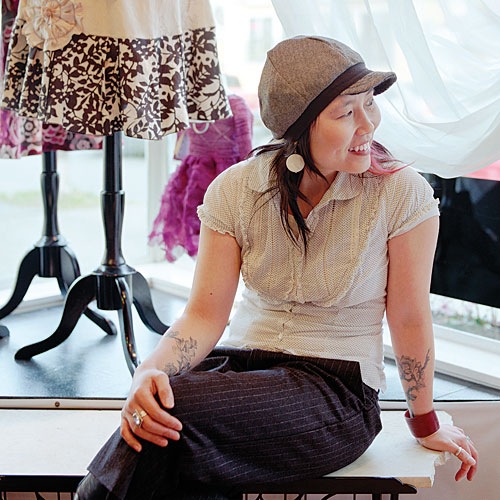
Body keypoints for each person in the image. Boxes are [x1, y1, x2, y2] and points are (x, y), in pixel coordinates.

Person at [76, 36, 478, 500]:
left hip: (338, 390)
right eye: (346, 113)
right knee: (160, 412)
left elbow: (408, 317)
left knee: (171, 412)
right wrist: (147, 373)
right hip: (242, 370)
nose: (369, 123)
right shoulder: (235, 190)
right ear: (298, 127)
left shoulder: (401, 194)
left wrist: (425, 421)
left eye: (369, 103)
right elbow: (203, 316)